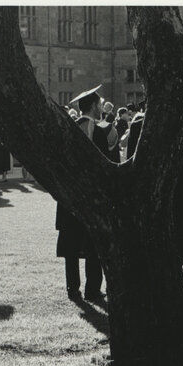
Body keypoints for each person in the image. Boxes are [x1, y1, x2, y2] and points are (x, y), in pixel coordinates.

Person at [56, 85, 118, 302]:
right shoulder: (102, 130)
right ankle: (93, 289)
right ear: (93, 106)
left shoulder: (68, 128)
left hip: (70, 196)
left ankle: (72, 288)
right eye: (99, 104)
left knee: (71, 246)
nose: (101, 108)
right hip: (93, 196)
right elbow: (110, 163)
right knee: (94, 245)